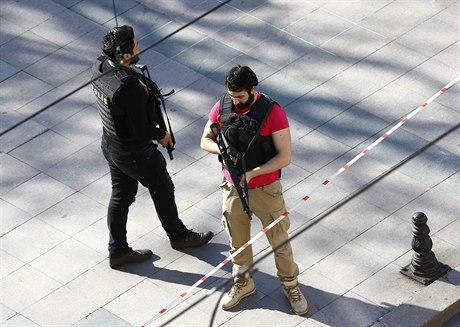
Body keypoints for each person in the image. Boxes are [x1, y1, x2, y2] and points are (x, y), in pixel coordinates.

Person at [91, 25, 213, 269]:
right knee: (163, 189)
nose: (138, 46)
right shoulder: (129, 87)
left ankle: (118, 251)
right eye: (135, 44)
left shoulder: (100, 67)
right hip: (135, 153)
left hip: (111, 145)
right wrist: (162, 136)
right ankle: (179, 237)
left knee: (121, 195)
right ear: (125, 53)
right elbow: (142, 129)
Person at [200, 65, 308, 315]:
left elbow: (285, 157)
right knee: (236, 241)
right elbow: (205, 139)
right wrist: (224, 152)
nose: (235, 101)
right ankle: (243, 283)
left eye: (240, 96)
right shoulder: (223, 105)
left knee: (279, 240)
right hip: (232, 186)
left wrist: (253, 173)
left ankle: (290, 285)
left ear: (253, 90)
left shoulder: (273, 112)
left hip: (266, 188)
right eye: (231, 95)